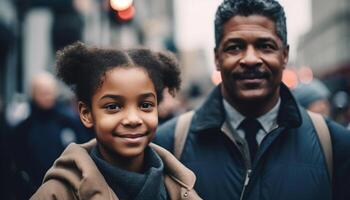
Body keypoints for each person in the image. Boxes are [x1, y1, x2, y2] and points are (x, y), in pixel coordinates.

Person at [154, 0, 350, 200]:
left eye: (265, 46)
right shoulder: (166, 145)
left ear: (285, 55)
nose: (250, 59)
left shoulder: (336, 145)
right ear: (216, 58)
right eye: (235, 47)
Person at [30, 42, 202, 200]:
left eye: (145, 105)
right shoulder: (57, 194)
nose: (133, 119)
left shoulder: (182, 190)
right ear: (86, 113)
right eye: (113, 107)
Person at [11, 71, 93, 198]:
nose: (47, 96)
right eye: (42, 92)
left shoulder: (69, 121)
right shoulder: (23, 128)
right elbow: (18, 163)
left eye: (49, 92)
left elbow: (84, 151)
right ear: (33, 93)